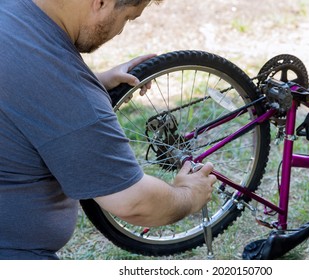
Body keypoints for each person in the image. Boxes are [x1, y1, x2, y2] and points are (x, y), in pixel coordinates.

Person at [0, 0, 217, 260]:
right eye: (127, 18)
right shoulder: (60, 84)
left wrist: (95, 82)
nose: (120, 31)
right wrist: (189, 195)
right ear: (101, 3)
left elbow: (23, 91)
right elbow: (132, 202)